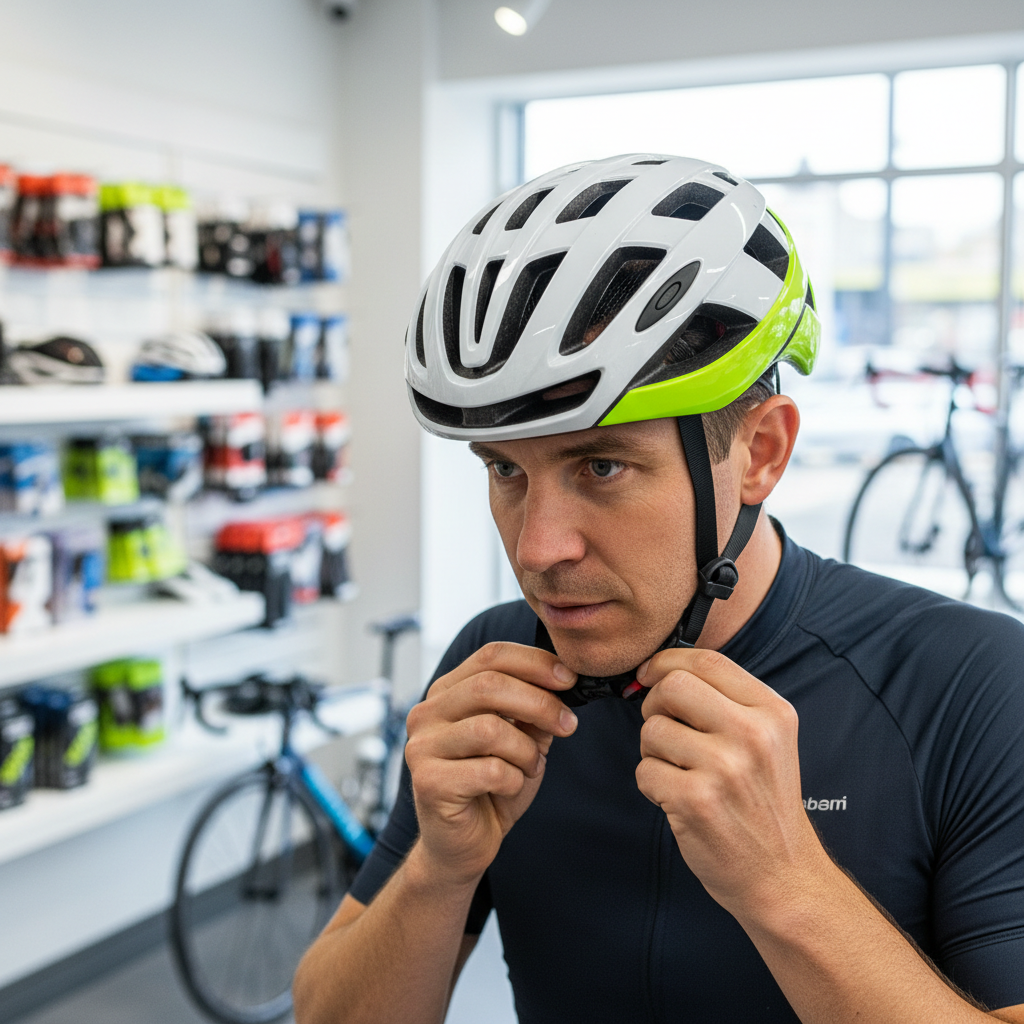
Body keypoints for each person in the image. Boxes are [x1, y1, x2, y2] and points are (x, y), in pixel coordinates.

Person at [293, 154, 1024, 1024]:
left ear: (759, 454)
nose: (538, 549)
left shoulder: (974, 684)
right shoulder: (500, 663)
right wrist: (435, 874)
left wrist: (787, 885)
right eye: (504, 471)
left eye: (601, 465)